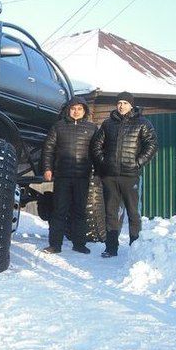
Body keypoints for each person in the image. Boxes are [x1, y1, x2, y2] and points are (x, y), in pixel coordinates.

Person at [90, 91, 158, 258]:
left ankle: (135, 248)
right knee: (111, 212)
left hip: (130, 175)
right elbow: (96, 145)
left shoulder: (143, 123)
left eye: (125, 103)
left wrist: (138, 162)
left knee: (133, 212)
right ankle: (111, 248)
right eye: (119, 103)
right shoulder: (107, 124)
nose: (121, 106)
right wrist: (104, 162)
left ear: (131, 105)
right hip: (110, 176)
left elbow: (152, 144)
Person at [41, 96, 97, 254]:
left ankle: (79, 244)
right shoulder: (58, 127)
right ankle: (54, 245)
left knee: (79, 211)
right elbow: (48, 149)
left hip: (82, 176)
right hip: (62, 176)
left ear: (84, 111)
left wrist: (99, 170)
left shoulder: (92, 128)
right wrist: (47, 168)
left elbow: (97, 152)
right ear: (68, 110)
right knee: (59, 210)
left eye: (80, 109)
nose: (76, 111)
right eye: (73, 108)